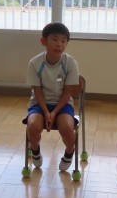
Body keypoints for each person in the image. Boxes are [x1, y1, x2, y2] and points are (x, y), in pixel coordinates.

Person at [25, 22, 80, 171]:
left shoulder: (70, 63)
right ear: (44, 41)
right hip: (39, 104)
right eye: (55, 39)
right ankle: (35, 150)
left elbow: (68, 92)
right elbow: (37, 91)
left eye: (63, 41)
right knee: (33, 127)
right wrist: (46, 111)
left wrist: (54, 112)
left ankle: (69, 151)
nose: (59, 44)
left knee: (67, 128)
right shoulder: (35, 63)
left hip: (63, 105)